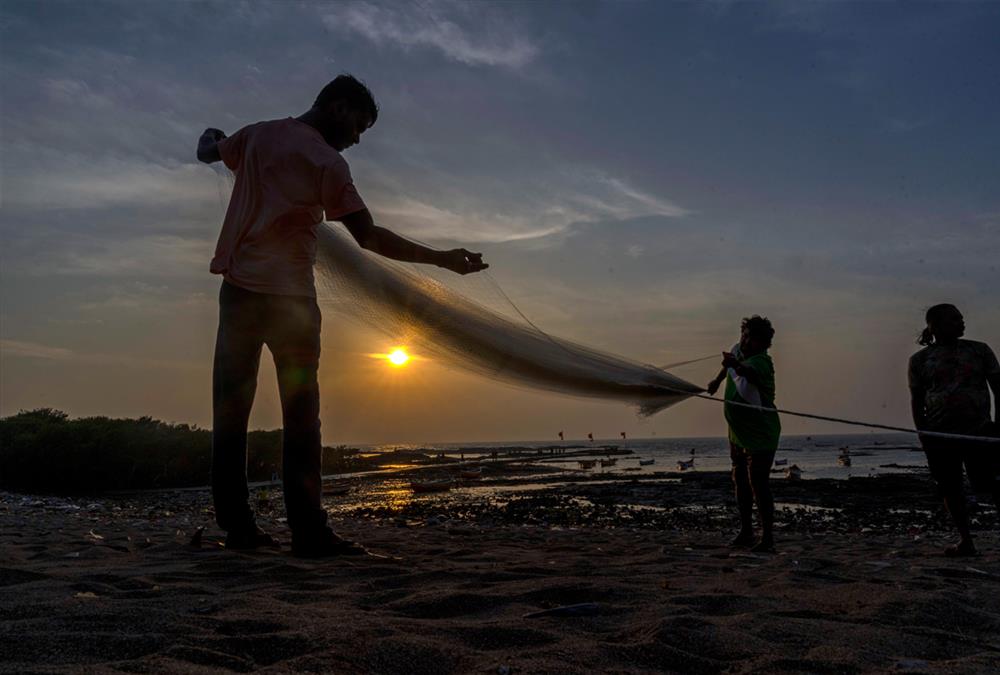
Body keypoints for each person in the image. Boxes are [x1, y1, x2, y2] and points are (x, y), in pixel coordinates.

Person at [196, 75, 488, 558]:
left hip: (239, 298)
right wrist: (442, 258)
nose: (357, 138)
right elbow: (369, 237)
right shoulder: (328, 162)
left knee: (230, 416)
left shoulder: (257, 135)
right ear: (337, 108)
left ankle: (238, 527)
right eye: (359, 125)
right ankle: (308, 533)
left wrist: (210, 136)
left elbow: (210, 151)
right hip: (290, 306)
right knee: (302, 420)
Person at [908, 304, 1000, 557]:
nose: (961, 322)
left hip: (980, 431)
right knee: (950, 487)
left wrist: (998, 426)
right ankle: (966, 541)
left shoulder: (979, 350)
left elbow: (999, 389)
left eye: (961, 318)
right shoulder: (920, 360)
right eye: (954, 319)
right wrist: (923, 433)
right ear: (934, 326)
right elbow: (917, 400)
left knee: (993, 484)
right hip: (939, 435)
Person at [707, 316, 781, 552]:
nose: (746, 341)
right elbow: (729, 366)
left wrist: (734, 365)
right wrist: (717, 382)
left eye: (753, 338)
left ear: (764, 344)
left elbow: (747, 373)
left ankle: (767, 538)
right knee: (739, 480)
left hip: (761, 433)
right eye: (744, 335)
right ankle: (746, 531)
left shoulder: (762, 363)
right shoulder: (737, 350)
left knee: (758, 483)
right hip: (737, 432)